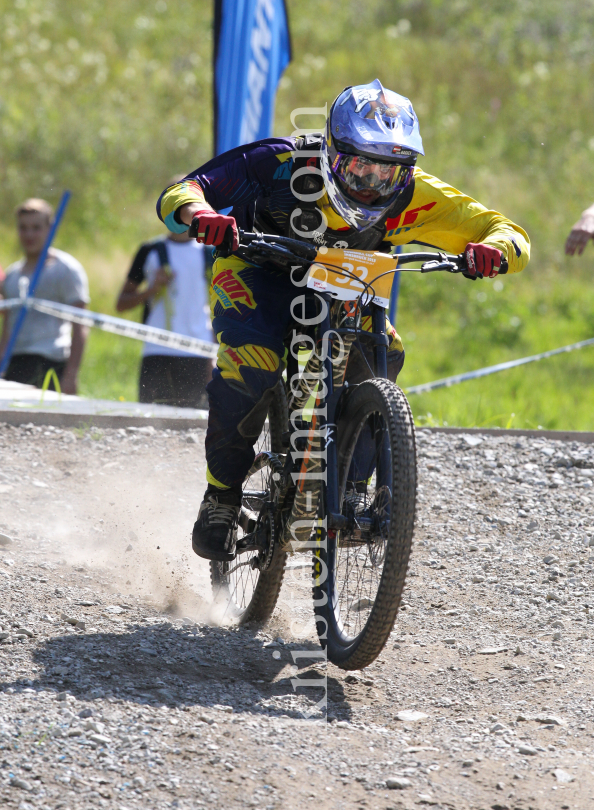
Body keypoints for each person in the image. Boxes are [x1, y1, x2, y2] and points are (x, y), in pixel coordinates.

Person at [156, 78, 530, 562]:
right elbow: (182, 191)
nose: (373, 183)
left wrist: (493, 251)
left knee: (386, 354)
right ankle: (222, 495)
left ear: (409, 170)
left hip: (346, 285)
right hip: (258, 269)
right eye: (360, 167)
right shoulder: (278, 162)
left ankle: (351, 486)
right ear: (331, 152)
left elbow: (507, 232)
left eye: (389, 173)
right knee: (253, 363)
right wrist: (200, 214)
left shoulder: (418, 195)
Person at [116, 195, 214, 408]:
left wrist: (216, 351)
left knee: (195, 423)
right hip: (157, 349)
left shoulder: (211, 253)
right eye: (176, 207)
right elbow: (121, 303)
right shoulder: (150, 251)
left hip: (198, 349)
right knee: (150, 422)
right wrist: (152, 289)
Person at [0, 198, 89, 394]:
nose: (29, 234)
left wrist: (70, 376)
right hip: (14, 364)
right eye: (23, 228)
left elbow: (80, 325)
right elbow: (7, 326)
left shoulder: (66, 269)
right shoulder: (12, 275)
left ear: (50, 228)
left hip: (51, 362)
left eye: (36, 227)